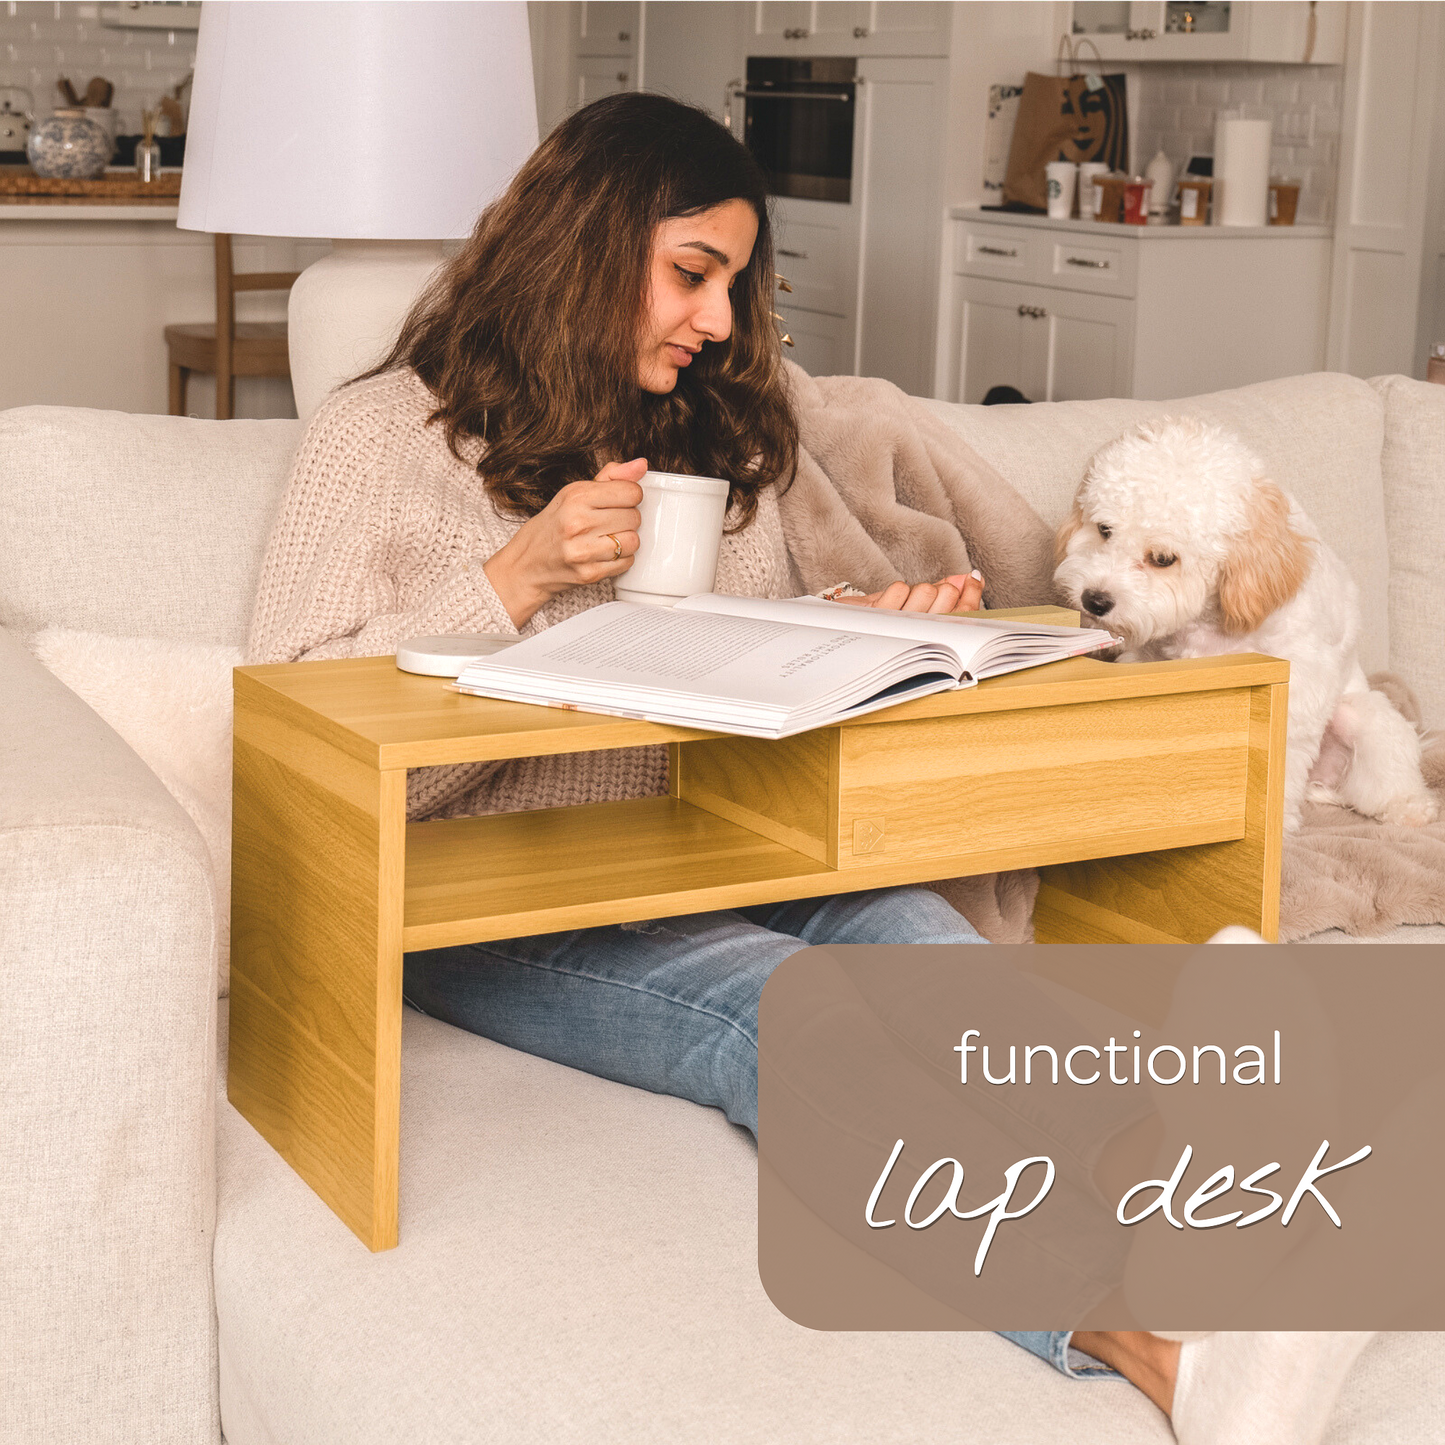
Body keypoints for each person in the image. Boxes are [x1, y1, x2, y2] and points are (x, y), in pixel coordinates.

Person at [246, 92, 1371, 1441]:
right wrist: (515, 574)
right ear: (582, 248)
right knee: (783, 1016)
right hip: (470, 894)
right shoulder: (377, 439)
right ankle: (1166, 1354)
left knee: (911, 934)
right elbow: (292, 726)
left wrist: (847, 636)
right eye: (691, 275)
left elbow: (722, 672)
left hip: (702, 842)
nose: (719, 321)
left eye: (733, 284)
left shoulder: (709, 439)